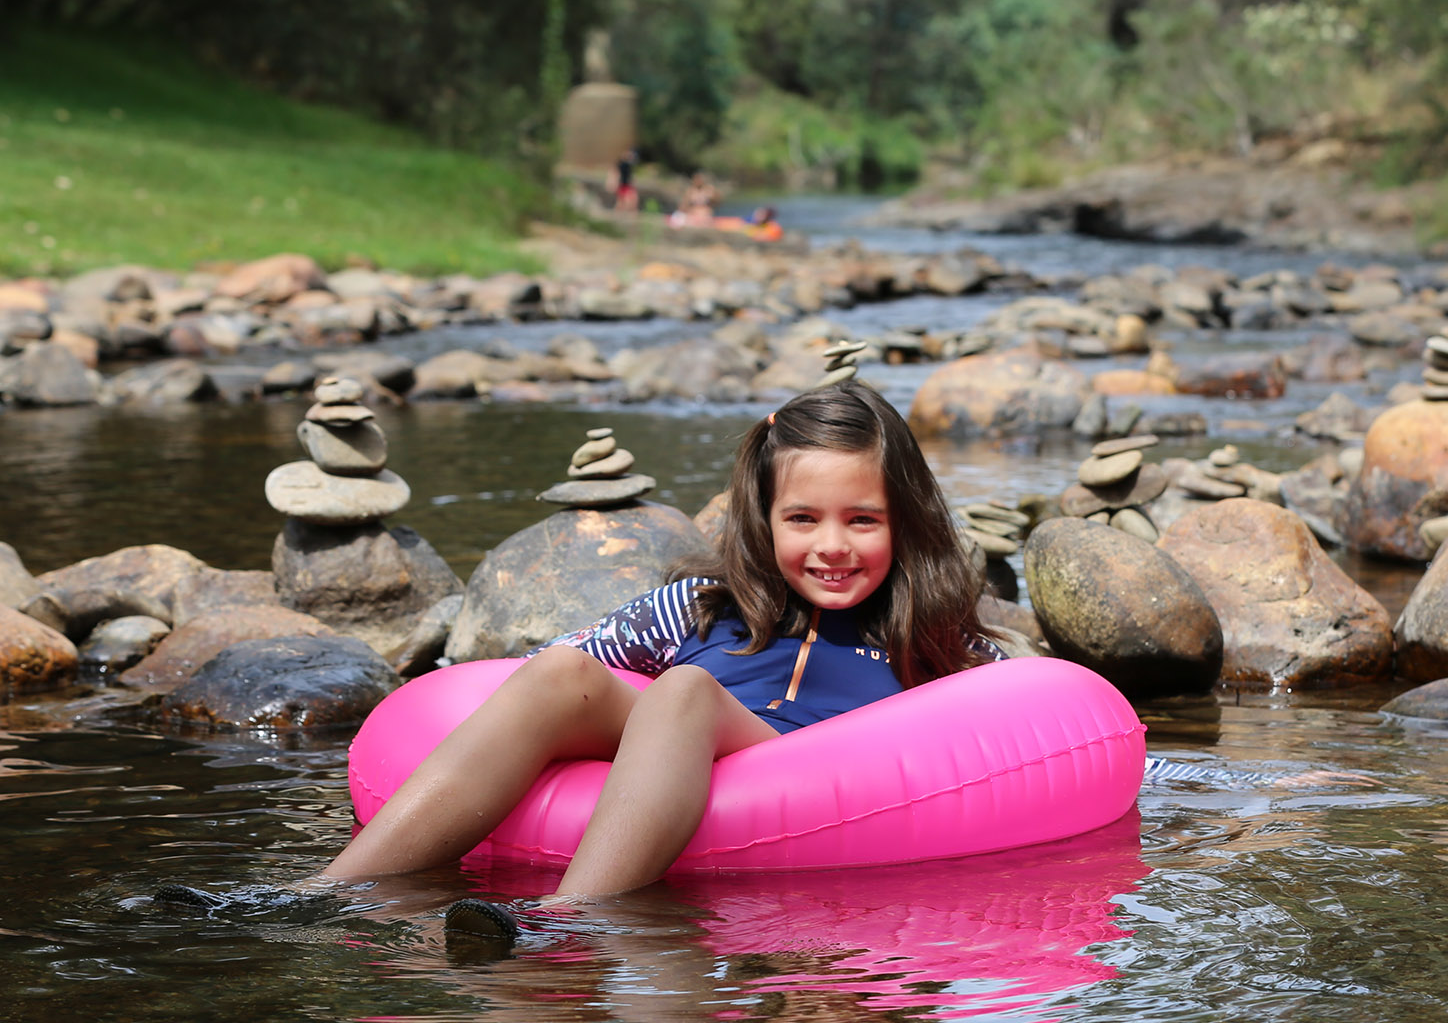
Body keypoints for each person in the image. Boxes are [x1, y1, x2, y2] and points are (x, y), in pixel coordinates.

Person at [159, 381, 1014, 944]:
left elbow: (1017, 725)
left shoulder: (930, 641)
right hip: (673, 752)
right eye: (802, 519)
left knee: (684, 690)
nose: (831, 546)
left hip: (813, 775)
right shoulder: (701, 608)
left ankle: (567, 918)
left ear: (903, 519)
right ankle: (324, 892)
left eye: (861, 520)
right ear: (763, 518)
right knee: (567, 674)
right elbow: (556, 669)